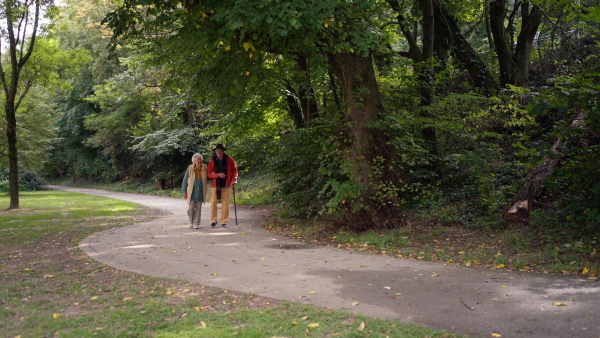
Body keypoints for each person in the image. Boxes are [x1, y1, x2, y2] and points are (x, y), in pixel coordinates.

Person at [207, 144, 238, 228]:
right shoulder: (212, 161)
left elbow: (235, 170)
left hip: (226, 184)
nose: (219, 153)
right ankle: (213, 221)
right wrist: (217, 175)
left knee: (225, 204)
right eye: (217, 151)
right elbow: (209, 174)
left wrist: (234, 179)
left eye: (220, 151)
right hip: (215, 185)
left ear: (223, 151)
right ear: (215, 152)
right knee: (213, 203)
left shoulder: (229, 159)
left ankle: (224, 221)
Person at [182, 153, 209, 228]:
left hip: (201, 191)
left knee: (198, 208)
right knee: (191, 208)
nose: (199, 161)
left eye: (200, 159)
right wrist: (184, 191)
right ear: (194, 161)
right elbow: (185, 180)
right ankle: (191, 221)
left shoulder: (205, 167)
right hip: (192, 191)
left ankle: (196, 223)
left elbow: (209, 176)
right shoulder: (190, 168)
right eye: (198, 159)